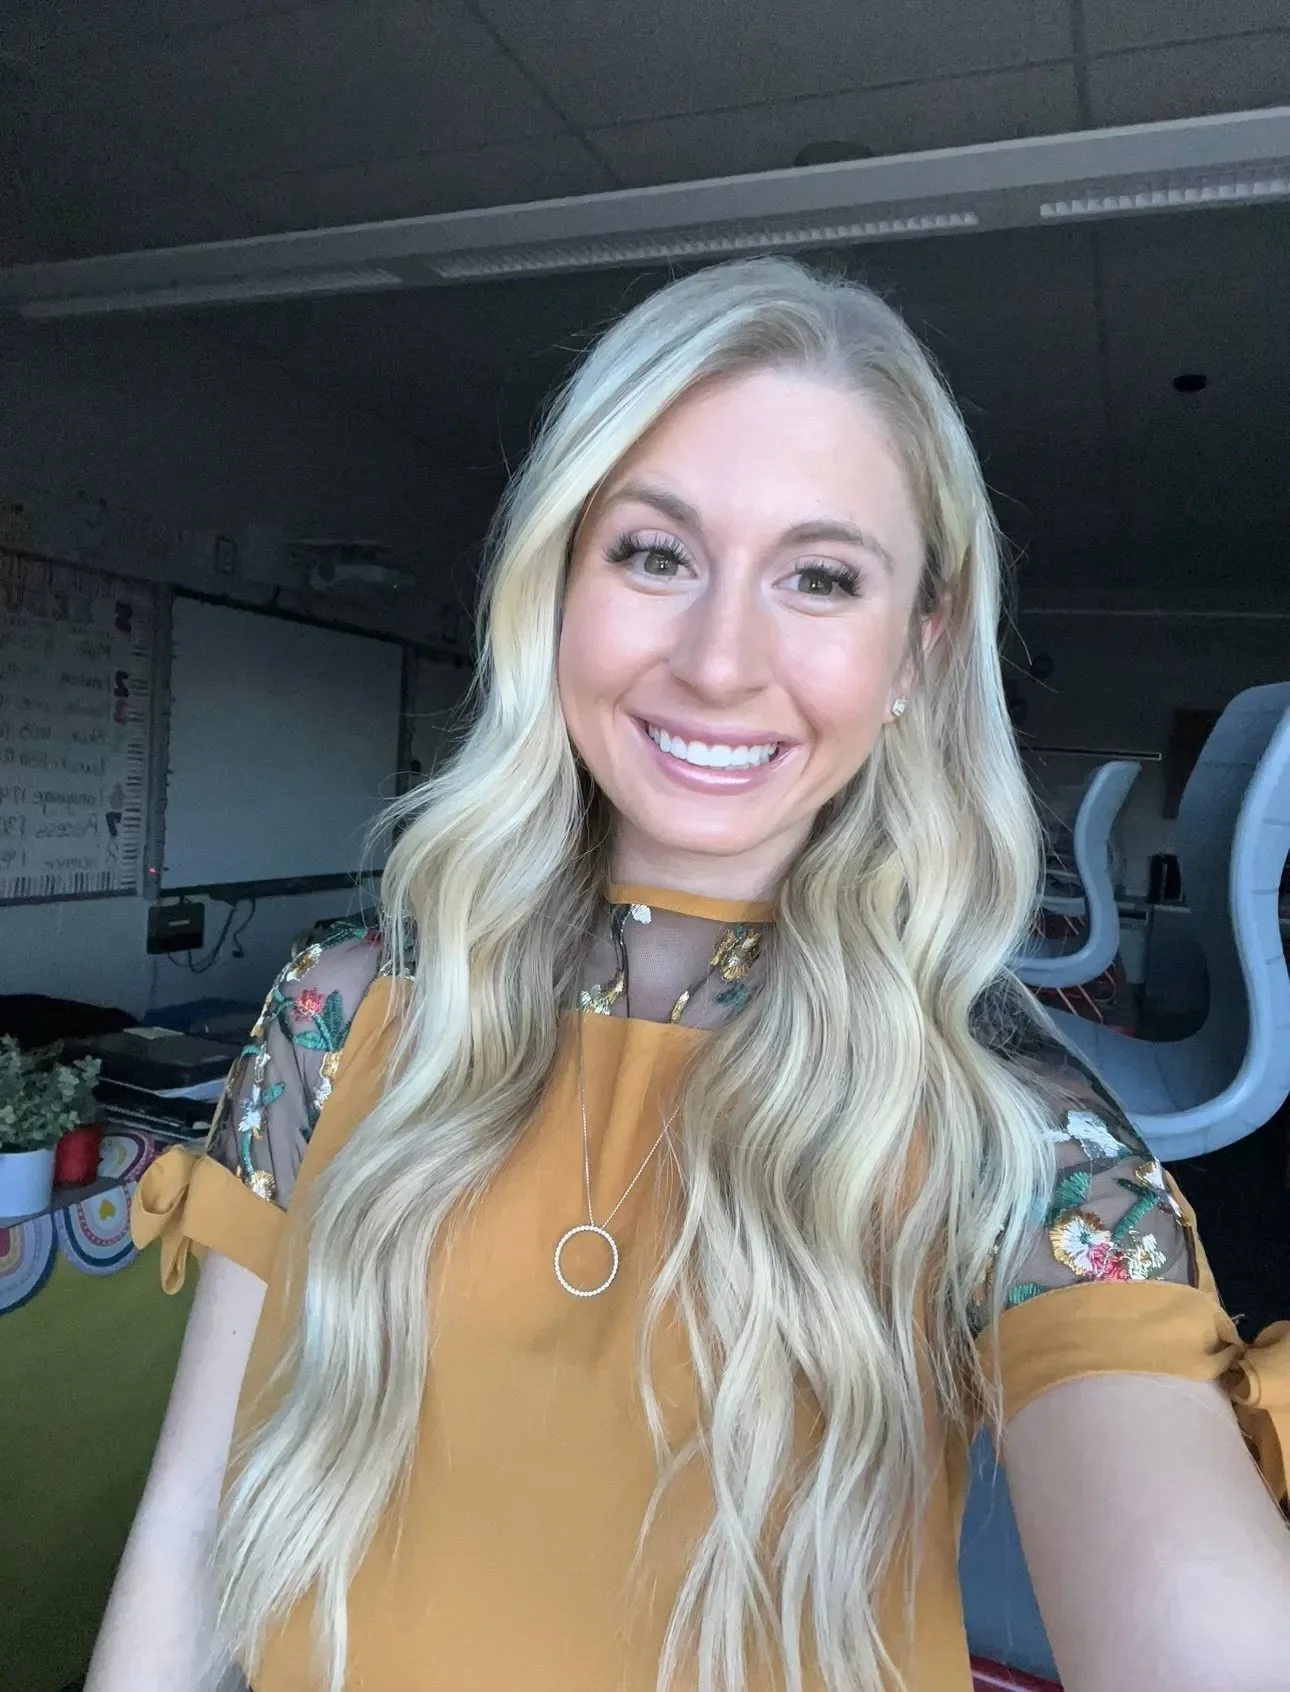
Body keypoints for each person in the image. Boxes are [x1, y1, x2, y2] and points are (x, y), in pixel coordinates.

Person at [88, 257, 1289, 1692]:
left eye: (820, 577)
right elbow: (190, 1526)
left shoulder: (1017, 1144)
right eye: (654, 553)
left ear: (915, 651)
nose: (720, 661)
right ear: (555, 586)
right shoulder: (339, 1016)